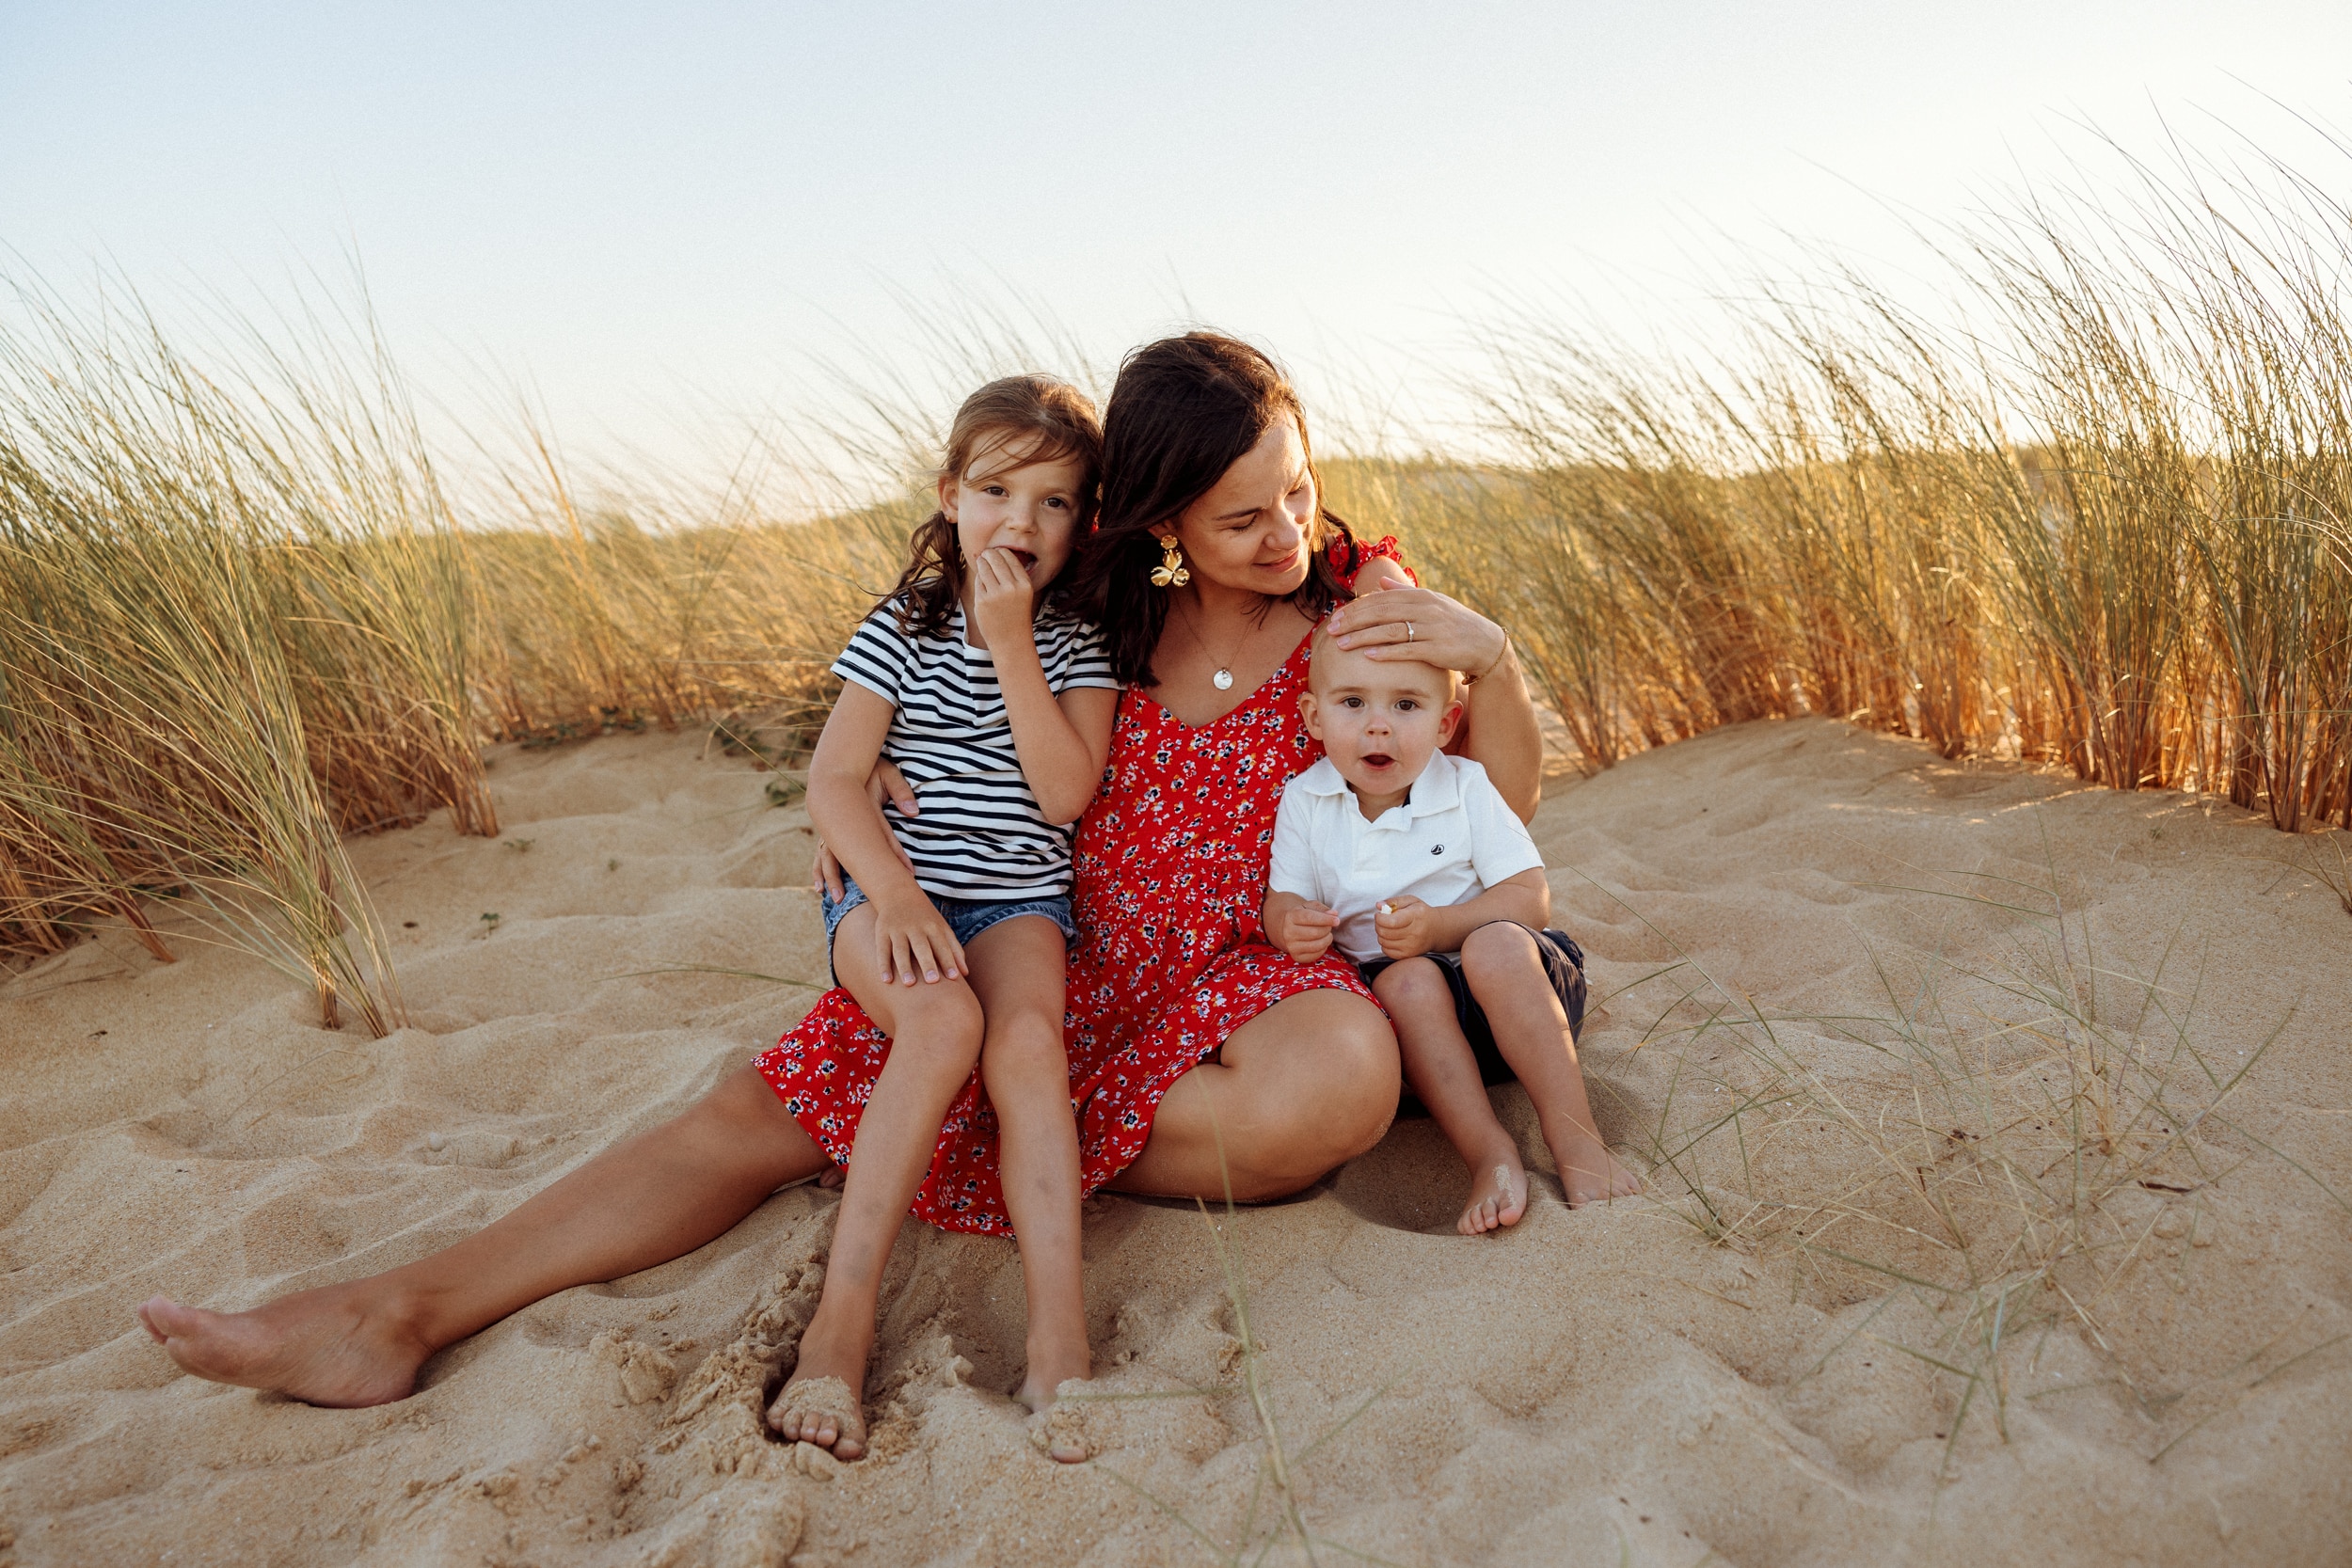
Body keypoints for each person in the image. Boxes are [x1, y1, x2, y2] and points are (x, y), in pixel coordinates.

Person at [134, 331, 1545, 1463]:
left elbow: (1502, 803)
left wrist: (1499, 654)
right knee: (753, 1117)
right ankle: (394, 1307)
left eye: (1298, 489)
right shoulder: (1103, 608)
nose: (1287, 527)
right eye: (1244, 513)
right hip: (1044, 946)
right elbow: (951, 725)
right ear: (1163, 513)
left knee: (1340, 1076)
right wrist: (868, 810)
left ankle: (941, 1125)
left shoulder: (1365, 604)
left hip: (1240, 981)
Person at [766, 376, 1120, 1461]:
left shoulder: (1074, 643)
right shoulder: (902, 626)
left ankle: (1059, 1336)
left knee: (1023, 1041)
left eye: (1055, 501)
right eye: (997, 488)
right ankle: (839, 1327)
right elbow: (833, 782)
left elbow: (1063, 797)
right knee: (941, 1022)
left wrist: (1015, 642)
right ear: (950, 494)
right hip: (889, 888)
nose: (1021, 519)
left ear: (1084, 522)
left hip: (1018, 894)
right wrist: (899, 895)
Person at [1263, 629, 1642, 1235]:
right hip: (1417, 1029)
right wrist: (1290, 924)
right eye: (1353, 703)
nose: (1378, 726)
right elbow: (1284, 898)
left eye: (1406, 705)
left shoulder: (1465, 786)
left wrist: (1440, 924)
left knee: (1493, 944)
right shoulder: (1306, 801)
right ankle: (1489, 1153)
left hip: (1521, 985)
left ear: (1446, 723)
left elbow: (1530, 898)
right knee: (1405, 981)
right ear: (1313, 715)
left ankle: (1577, 1140)